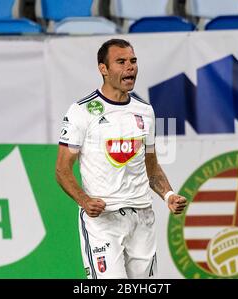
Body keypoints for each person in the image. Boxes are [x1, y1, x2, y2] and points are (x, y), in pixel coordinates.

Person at [55, 39, 187, 279]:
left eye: (133, 61)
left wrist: (168, 195)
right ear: (103, 69)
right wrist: (84, 200)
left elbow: (152, 168)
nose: (130, 67)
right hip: (103, 220)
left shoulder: (145, 111)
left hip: (142, 218)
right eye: (121, 62)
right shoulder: (82, 111)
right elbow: (62, 169)